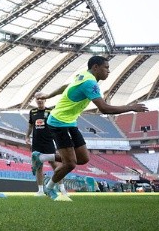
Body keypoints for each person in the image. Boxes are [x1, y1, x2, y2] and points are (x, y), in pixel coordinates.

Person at [32, 56, 148, 200]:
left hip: (70, 122)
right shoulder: (90, 82)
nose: (108, 71)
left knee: (83, 159)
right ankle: (49, 188)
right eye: (106, 67)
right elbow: (104, 108)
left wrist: (48, 95)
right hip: (58, 122)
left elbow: (66, 86)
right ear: (95, 67)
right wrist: (131, 107)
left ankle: (41, 157)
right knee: (70, 163)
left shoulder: (83, 75)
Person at [25, 96, 66, 196]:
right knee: (38, 166)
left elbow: (55, 125)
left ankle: (62, 188)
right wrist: (27, 136)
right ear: (35, 100)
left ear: (45, 100)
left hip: (48, 142)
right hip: (36, 143)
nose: (39, 100)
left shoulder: (50, 111)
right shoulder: (32, 112)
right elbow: (30, 126)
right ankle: (40, 191)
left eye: (41, 98)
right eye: (37, 98)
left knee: (54, 165)